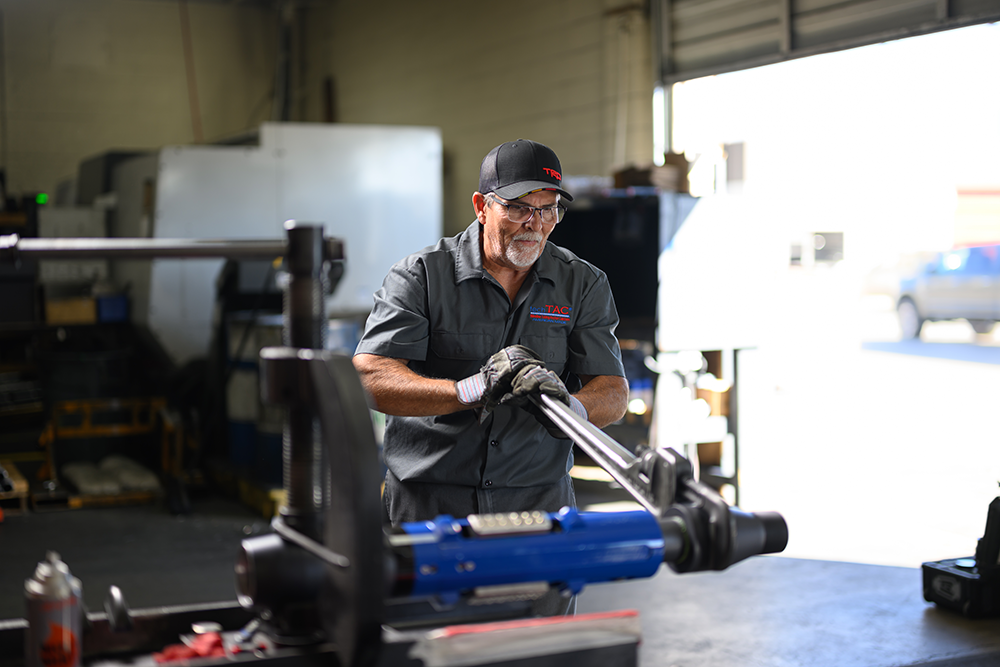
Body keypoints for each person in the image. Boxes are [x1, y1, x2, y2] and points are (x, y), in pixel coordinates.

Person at [352, 138, 629, 529]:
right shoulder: (421, 276)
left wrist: (570, 408)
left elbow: (614, 392)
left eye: (548, 210)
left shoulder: (582, 283)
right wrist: (470, 391)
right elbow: (369, 377)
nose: (535, 225)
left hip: (539, 502)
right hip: (430, 501)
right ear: (482, 207)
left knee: (537, 594)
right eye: (518, 208)